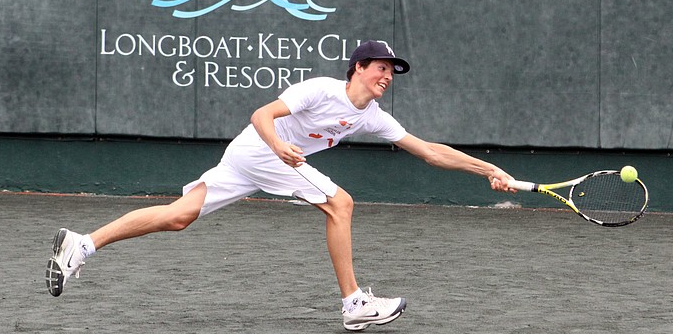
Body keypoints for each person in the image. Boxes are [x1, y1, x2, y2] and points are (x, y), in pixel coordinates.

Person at [44, 40, 515, 331]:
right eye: (381, 68)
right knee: (341, 203)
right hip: (260, 148)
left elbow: (430, 150)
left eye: (392, 72)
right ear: (358, 67)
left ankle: (81, 244)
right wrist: (281, 148)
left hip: (251, 158)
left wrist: (489, 170)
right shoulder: (320, 89)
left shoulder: (371, 115)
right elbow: (261, 115)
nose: (387, 77)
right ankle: (354, 303)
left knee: (179, 215)